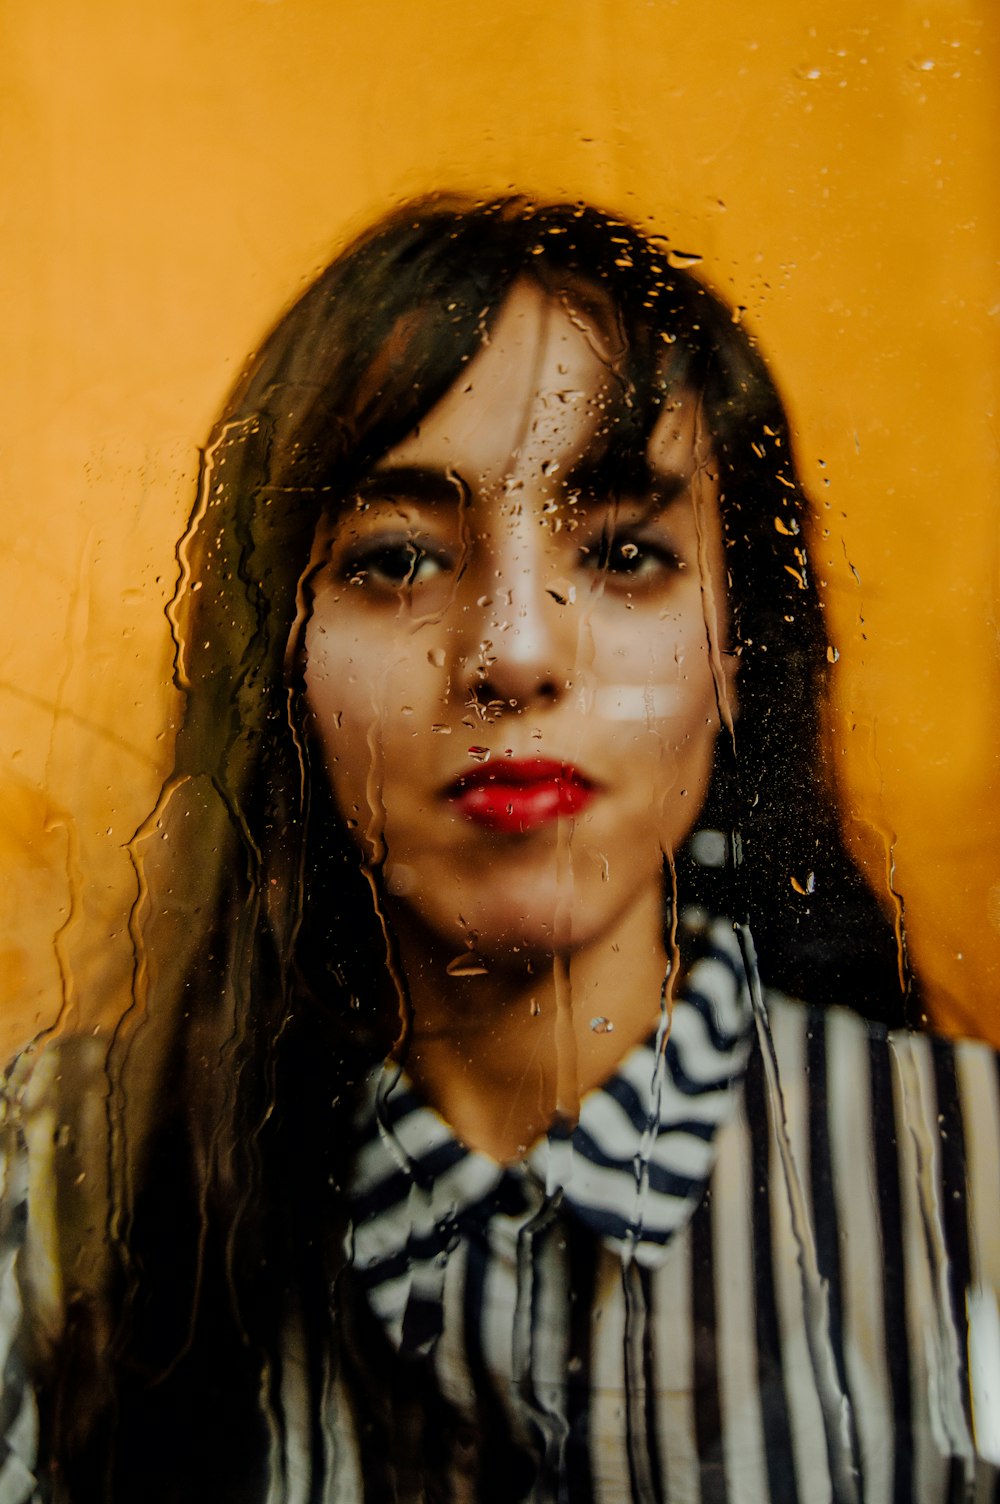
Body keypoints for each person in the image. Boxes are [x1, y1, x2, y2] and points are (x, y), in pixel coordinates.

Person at [1, 195, 997, 1503]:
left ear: (736, 650)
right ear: (281, 663)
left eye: (627, 553)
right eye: (399, 557)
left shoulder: (968, 1181)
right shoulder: (54, 1193)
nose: (514, 651)